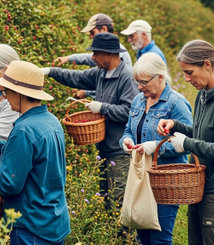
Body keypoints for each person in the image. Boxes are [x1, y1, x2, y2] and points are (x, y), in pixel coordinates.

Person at [0, 61, 70, 244]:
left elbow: (9, 183)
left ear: (19, 93)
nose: (4, 96)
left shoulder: (24, 130)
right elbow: (29, 158)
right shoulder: (51, 121)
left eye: (6, 91)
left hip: (31, 228)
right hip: (53, 221)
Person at [157, 39, 214, 245]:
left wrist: (187, 143)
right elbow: (203, 134)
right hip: (201, 187)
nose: (187, 79)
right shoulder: (204, 94)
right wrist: (176, 125)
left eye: (189, 72)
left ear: (207, 65)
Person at [43, 32, 139, 211]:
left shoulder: (127, 77)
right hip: (104, 149)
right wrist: (50, 72)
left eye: (96, 53)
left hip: (120, 152)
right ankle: (113, 237)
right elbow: (76, 78)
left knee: (120, 203)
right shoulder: (100, 73)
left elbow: (129, 111)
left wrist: (102, 108)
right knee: (107, 202)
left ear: (109, 55)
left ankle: (126, 239)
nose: (93, 57)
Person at [119, 52, 193, 245]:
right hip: (141, 177)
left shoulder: (177, 104)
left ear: (160, 77)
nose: (139, 87)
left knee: (160, 236)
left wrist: (155, 148)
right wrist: (126, 142)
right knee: (142, 231)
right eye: (137, 81)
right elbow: (128, 130)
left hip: (166, 180)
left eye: (143, 82)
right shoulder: (138, 100)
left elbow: (188, 143)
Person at [53, 13, 132, 99]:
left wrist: (88, 94)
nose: (90, 36)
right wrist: (68, 59)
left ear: (104, 29)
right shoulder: (103, 68)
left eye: (92, 32)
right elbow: (81, 73)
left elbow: (112, 88)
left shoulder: (119, 58)